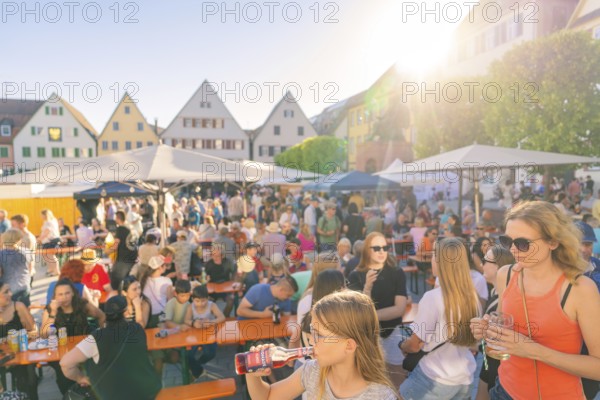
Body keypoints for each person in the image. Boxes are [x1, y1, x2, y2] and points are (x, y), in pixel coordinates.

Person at [470, 201, 600, 399]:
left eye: (523, 243)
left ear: (553, 242)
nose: (513, 250)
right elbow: (507, 331)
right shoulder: (505, 275)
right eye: (507, 242)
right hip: (504, 390)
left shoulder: (579, 288)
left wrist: (535, 351)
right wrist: (487, 328)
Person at [245, 291, 399, 400]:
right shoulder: (312, 371)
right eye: (311, 331)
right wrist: (252, 374)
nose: (311, 340)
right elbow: (268, 396)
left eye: (318, 335)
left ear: (349, 346)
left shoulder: (380, 396)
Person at [400, 237, 481, 399]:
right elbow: (474, 343)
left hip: (432, 377)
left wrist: (403, 345)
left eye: (433, 256)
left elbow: (415, 345)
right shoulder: (472, 297)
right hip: (463, 378)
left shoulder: (432, 298)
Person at [59, 296, 162, 400]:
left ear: (106, 314)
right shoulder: (138, 329)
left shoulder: (97, 337)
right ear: (126, 312)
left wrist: (80, 378)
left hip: (112, 395)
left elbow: (65, 364)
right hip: (146, 392)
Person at [348, 232, 408, 388]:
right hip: (367, 335)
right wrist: (367, 287)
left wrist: (372, 315)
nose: (382, 251)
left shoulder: (396, 272)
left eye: (385, 247)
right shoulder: (355, 275)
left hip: (393, 331)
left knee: (398, 378)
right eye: (376, 248)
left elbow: (399, 309)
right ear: (367, 250)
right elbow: (358, 312)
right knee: (372, 382)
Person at [43, 279, 105, 395]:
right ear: (55, 296)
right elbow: (44, 334)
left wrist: (102, 337)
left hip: (83, 348)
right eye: (60, 294)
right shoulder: (51, 309)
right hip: (60, 352)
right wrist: (53, 313)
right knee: (63, 376)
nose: (64, 297)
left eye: (67, 293)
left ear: (73, 293)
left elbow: (101, 316)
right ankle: (71, 395)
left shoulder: (82, 305)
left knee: (90, 370)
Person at [476, 245, 515, 400]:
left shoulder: (504, 301)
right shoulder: (495, 292)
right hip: (490, 363)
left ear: (499, 267)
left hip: (497, 366)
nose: (481, 264)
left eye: (486, 261)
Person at [0, 278, 38, 400]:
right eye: (5, 292)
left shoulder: (18, 306)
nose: (10, 294)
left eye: (9, 290)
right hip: (3, 358)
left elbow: (34, 331)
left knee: (27, 379)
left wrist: (20, 336)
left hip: (21, 354)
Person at [184, 285, 225, 381]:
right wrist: (193, 323)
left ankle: (196, 366)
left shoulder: (212, 305)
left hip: (209, 335)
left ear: (207, 298)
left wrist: (210, 322)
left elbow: (222, 317)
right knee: (188, 355)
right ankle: (197, 370)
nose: (200, 304)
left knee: (211, 353)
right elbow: (186, 320)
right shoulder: (191, 307)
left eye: (203, 301)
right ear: (193, 299)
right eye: (197, 301)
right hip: (194, 336)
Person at [106, 211, 138, 290]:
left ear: (117, 219)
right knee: (127, 282)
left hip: (123, 259)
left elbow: (116, 244)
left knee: (117, 283)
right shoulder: (131, 227)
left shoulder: (121, 229)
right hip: (132, 258)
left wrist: (107, 251)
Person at [0, 229, 32, 307]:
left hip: (8, 289)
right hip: (24, 286)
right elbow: (30, 269)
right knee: (25, 311)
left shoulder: (1, 254)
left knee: (10, 314)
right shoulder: (26, 251)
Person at [141, 255, 174, 328]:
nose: (166, 266)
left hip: (147, 318)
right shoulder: (167, 281)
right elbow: (171, 303)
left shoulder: (143, 280)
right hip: (161, 317)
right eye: (165, 265)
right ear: (160, 268)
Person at [39, 209, 61, 276]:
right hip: (47, 241)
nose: (41, 216)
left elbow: (47, 231)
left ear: (45, 215)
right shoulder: (50, 221)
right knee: (46, 255)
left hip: (51, 241)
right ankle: (51, 269)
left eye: (42, 215)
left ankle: (56, 270)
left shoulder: (49, 222)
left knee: (51, 256)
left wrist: (39, 239)